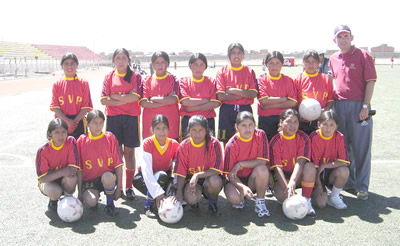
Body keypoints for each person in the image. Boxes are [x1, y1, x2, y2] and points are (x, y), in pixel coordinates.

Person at [329, 25, 377, 200]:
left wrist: (365, 106)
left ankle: (362, 186)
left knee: (361, 148)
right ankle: (350, 182)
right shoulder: (333, 58)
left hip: (358, 106)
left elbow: (370, 83)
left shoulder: (363, 55)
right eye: (339, 37)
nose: (343, 40)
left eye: (346, 36)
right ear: (335, 40)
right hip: (339, 106)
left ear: (352, 37)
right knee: (344, 147)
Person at [100, 48, 142, 200]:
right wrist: (126, 96)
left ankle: (129, 186)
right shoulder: (109, 77)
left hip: (131, 118)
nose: (121, 61)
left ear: (128, 60)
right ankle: (119, 186)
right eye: (118, 58)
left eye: (124, 58)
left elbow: (135, 98)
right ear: (113, 61)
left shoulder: (135, 76)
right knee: (116, 154)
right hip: (113, 118)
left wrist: (115, 96)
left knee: (129, 153)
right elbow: (104, 99)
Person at [173, 115, 224, 215]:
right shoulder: (183, 146)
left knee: (215, 181)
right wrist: (179, 192)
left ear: (206, 130)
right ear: (189, 130)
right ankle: (194, 203)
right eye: (194, 130)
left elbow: (217, 169)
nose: (197, 134)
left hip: (208, 179)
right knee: (191, 199)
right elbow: (180, 172)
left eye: (201, 130)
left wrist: (197, 175)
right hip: (191, 181)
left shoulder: (214, 143)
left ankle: (212, 202)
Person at [223, 111, 270, 217]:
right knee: (235, 200)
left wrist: (240, 165)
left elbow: (263, 161)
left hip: (253, 178)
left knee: (262, 169)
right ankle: (242, 195)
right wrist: (242, 187)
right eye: (243, 125)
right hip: (236, 180)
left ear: (255, 125)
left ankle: (260, 202)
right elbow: (229, 175)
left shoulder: (261, 134)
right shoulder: (231, 145)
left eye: (250, 125)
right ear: (236, 127)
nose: (248, 129)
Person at [269, 109, 316, 215]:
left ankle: (307, 201)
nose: (293, 125)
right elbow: (277, 168)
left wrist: (293, 181)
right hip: (283, 177)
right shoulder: (275, 141)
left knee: (310, 167)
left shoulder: (304, 137)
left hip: (298, 176)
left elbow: (301, 162)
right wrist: (288, 188)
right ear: (281, 122)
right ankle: (291, 196)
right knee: (283, 196)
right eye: (289, 121)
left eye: (295, 122)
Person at [77, 110, 123, 216]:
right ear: (87, 124)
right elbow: (79, 170)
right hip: (90, 180)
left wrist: (119, 188)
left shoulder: (110, 137)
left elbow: (118, 165)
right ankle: (95, 199)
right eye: (94, 123)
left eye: (101, 122)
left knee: (108, 176)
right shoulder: (81, 141)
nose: (98, 126)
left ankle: (110, 204)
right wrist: (79, 192)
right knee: (91, 202)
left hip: (107, 178)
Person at [132, 115, 180, 218]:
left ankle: (160, 201)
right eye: (158, 128)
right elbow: (146, 170)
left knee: (174, 190)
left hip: (165, 178)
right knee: (159, 177)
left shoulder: (174, 144)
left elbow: (178, 168)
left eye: (164, 128)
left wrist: (176, 185)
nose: (161, 132)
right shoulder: (147, 143)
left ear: (169, 129)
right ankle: (148, 206)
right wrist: (157, 192)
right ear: (152, 129)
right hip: (145, 178)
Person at [215, 43, 258, 143]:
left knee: (246, 139)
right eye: (233, 53)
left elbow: (253, 94)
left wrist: (231, 90)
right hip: (227, 110)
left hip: (245, 109)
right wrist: (243, 94)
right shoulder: (222, 71)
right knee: (227, 141)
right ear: (228, 55)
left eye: (239, 53)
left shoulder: (249, 71)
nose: (236, 56)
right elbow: (221, 96)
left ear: (243, 55)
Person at [35, 118, 79, 211]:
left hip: (64, 178)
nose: (61, 136)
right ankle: (53, 201)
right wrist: (63, 171)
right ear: (50, 133)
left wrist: (64, 172)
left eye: (63, 132)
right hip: (49, 182)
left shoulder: (71, 141)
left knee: (72, 178)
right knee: (55, 192)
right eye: (57, 132)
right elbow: (43, 178)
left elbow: (72, 169)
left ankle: (68, 199)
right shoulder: (43, 150)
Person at [310, 110, 350, 209]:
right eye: (325, 124)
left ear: (336, 126)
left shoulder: (339, 137)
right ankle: (313, 193)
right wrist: (319, 186)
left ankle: (334, 196)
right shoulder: (314, 137)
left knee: (344, 171)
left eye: (332, 125)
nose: (328, 128)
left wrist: (325, 165)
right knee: (321, 204)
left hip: (330, 172)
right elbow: (314, 167)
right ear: (319, 124)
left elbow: (343, 162)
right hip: (316, 174)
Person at [50, 53, 93, 139]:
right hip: (61, 122)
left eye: (72, 63)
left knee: (79, 149)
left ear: (77, 65)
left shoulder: (83, 83)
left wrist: (74, 122)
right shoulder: (57, 84)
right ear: (62, 66)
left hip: (79, 121)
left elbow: (85, 107)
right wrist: (67, 121)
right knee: (62, 149)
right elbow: (55, 107)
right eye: (66, 64)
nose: (69, 66)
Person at [257, 51, 297, 141]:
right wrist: (283, 99)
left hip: (284, 120)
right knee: (266, 145)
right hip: (266, 119)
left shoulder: (288, 80)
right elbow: (264, 101)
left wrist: (271, 105)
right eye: (271, 63)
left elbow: (293, 102)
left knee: (282, 146)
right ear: (266, 64)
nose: (274, 67)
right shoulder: (262, 79)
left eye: (277, 63)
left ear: (282, 64)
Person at [179, 53, 220, 139]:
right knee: (188, 148)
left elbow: (215, 103)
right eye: (195, 65)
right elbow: (185, 102)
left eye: (201, 65)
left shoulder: (211, 82)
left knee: (208, 149)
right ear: (190, 66)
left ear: (205, 67)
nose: (198, 68)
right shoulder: (184, 81)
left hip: (207, 120)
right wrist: (206, 100)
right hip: (189, 120)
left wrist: (191, 108)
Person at [140, 51, 180, 140]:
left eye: (163, 62)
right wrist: (166, 101)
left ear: (168, 64)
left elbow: (174, 100)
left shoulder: (173, 79)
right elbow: (144, 103)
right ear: (153, 65)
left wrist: (153, 98)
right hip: (150, 124)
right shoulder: (147, 80)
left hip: (170, 124)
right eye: (157, 63)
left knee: (171, 152)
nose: (160, 65)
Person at [294, 50, 334, 135]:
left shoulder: (326, 79)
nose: (311, 65)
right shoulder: (298, 80)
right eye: (307, 62)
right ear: (303, 63)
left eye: (314, 62)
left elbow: (330, 101)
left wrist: (325, 111)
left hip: (321, 121)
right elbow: (293, 101)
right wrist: (299, 115)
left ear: (319, 63)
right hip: (303, 121)